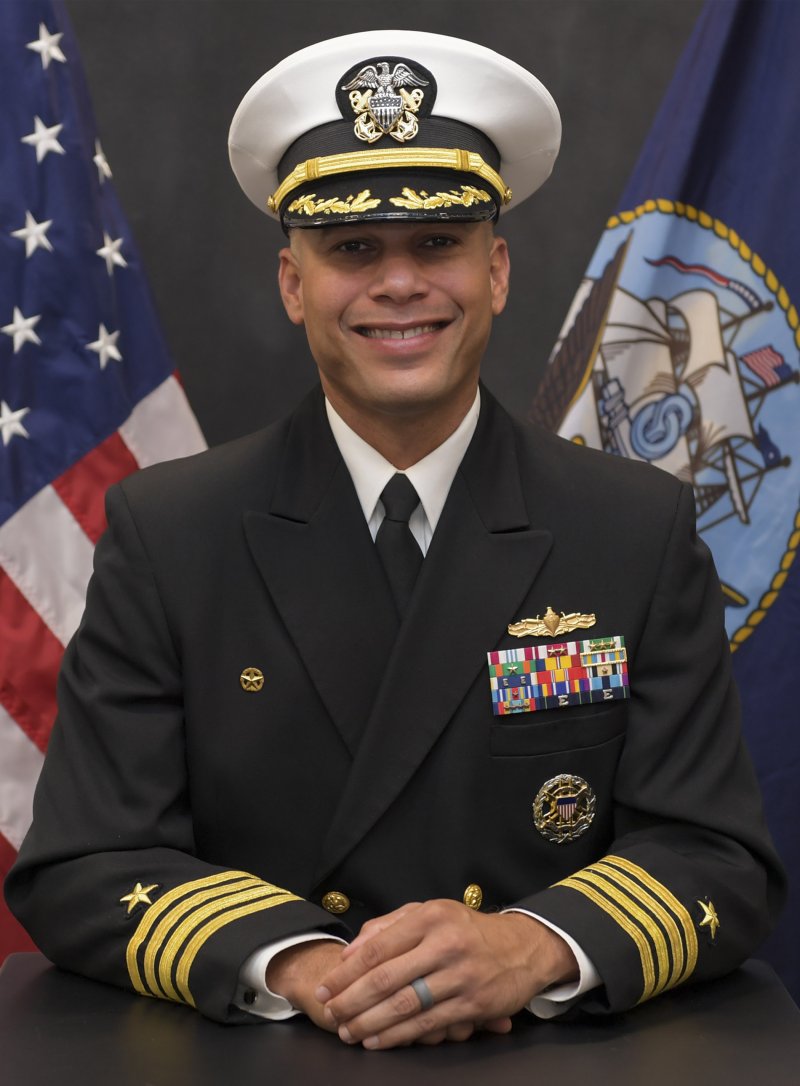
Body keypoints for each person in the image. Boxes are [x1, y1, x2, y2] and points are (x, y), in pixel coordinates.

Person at [5, 29, 784, 1050]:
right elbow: (84, 860)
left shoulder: (633, 526)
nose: (399, 284)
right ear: (293, 284)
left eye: (437, 243)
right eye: (353, 250)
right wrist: (306, 964)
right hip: (272, 1053)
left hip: (542, 1056)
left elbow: (716, 855)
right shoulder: (171, 533)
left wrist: (531, 946)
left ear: (495, 270)